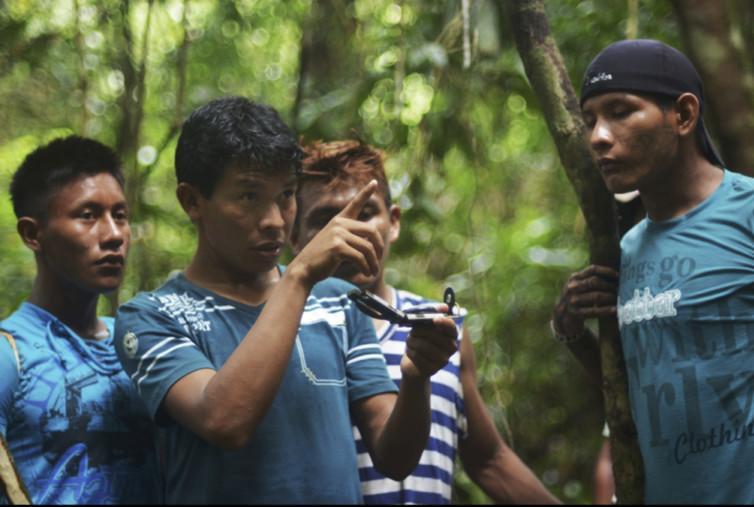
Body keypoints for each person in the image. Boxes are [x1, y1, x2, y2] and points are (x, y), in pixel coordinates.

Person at [113, 96, 459, 504]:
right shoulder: (152, 317)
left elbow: (394, 457)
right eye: (248, 197)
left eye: (286, 195)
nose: (275, 221)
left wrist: (417, 377)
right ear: (192, 201)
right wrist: (297, 278)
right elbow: (224, 421)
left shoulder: (340, 303)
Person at [291, 140, 560, 504]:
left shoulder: (440, 331)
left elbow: (489, 460)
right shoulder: (282, 336)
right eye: (325, 219)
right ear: (295, 238)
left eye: (365, 213)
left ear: (394, 223)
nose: (347, 232)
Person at [551, 38, 754, 503]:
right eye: (589, 121)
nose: (598, 136)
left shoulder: (747, 214)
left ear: (683, 115)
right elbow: (636, 383)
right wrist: (570, 329)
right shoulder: (624, 249)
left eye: (621, 111)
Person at [0, 136, 160, 504]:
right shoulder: (12, 355)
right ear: (32, 234)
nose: (114, 235)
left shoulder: (140, 341)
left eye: (120, 215)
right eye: (88, 215)